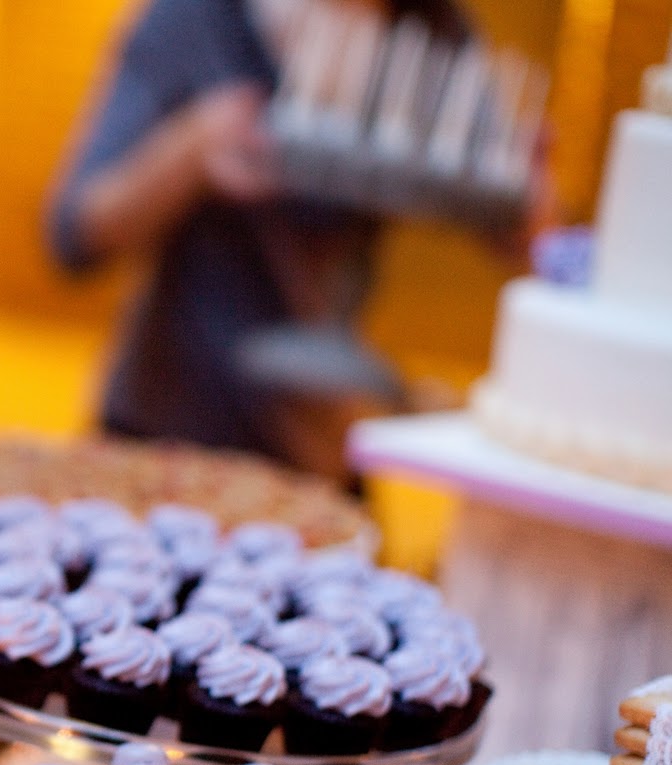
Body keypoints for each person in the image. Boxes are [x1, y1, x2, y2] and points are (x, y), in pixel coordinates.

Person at [48, 0, 475, 478]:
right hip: (168, 426)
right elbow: (73, 235)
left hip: (320, 437)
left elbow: (513, 219)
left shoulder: (432, 28)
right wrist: (191, 149)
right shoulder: (200, 18)